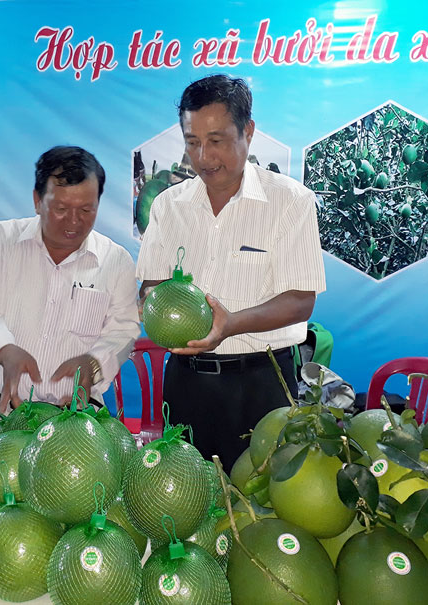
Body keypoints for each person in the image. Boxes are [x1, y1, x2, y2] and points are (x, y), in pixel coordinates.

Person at [136, 75, 326, 470]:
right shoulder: (168, 206)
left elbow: (300, 300)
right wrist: (150, 304)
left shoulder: (290, 202)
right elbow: (152, 284)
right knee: (187, 500)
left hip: (262, 382)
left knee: (261, 499)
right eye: (192, 142)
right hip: (186, 382)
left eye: (217, 140)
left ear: (248, 132)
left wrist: (230, 324)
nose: (203, 157)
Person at [0, 146, 140, 412]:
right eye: (61, 208)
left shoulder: (116, 261)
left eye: (86, 210)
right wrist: (4, 350)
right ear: (37, 200)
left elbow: (123, 330)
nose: (73, 222)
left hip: (76, 416)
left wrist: (93, 364)